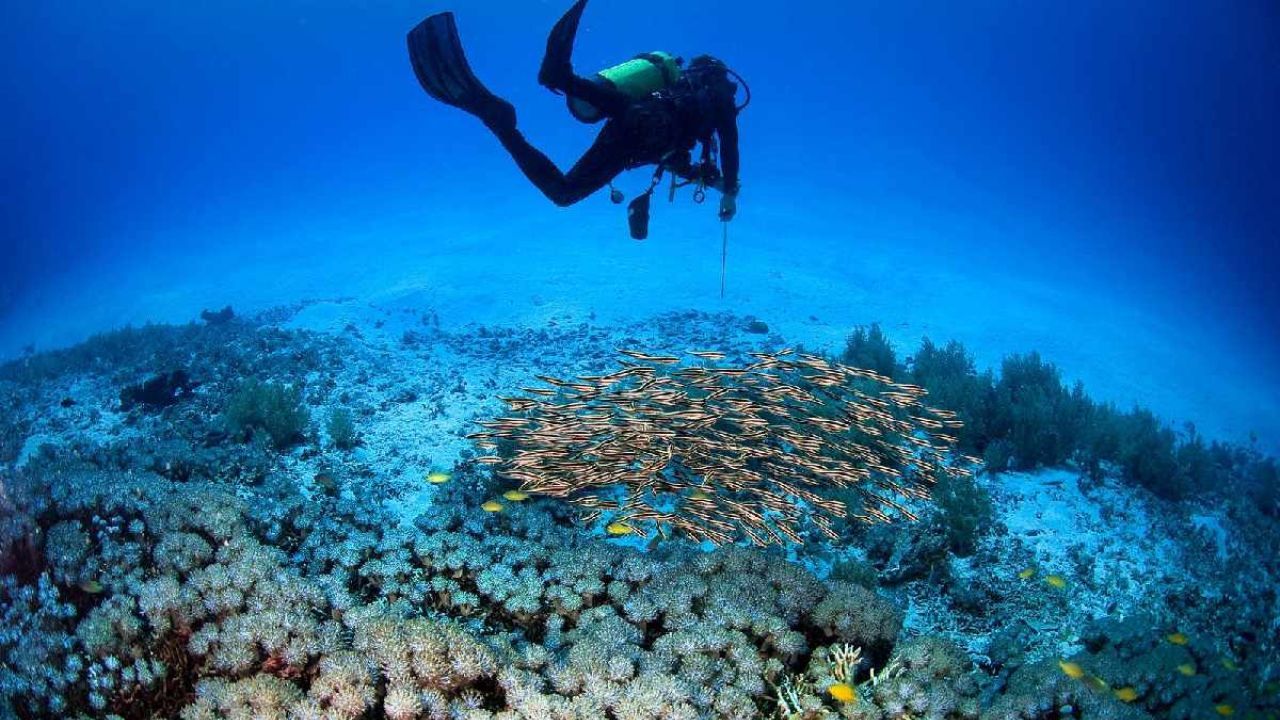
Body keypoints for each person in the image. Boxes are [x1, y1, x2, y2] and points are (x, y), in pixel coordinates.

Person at [407, 0, 745, 236]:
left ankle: (554, 82)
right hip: (646, 133)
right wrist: (728, 191)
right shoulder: (718, 96)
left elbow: (668, 150)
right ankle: (505, 121)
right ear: (722, 77)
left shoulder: (674, 87)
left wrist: (705, 179)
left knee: (607, 118)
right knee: (564, 192)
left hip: (633, 120)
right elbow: (729, 141)